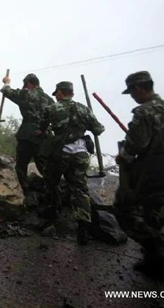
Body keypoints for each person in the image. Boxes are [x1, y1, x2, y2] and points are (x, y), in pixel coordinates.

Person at [114, 71, 164, 280]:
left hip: (150, 176)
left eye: (132, 92)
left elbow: (135, 145)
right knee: (156, 217)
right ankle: (155, 260)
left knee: (123, 211)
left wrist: (123, 156)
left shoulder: (144, 112)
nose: (132, 97)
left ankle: (156, 256)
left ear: (139, 88)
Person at [36, 81, 105, 244]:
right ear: (72, 93)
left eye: (57, 93)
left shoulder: (52, 108)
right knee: (80, 189)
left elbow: (42, 127)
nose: (56, 96)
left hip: (60, 152)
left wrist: (42, 132)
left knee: (51, 182)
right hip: (80, 153)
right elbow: (99, 129)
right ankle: (83, 228)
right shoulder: (84, 109)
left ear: (60, 93)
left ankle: (51, 216)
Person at [0, 73, 54, 194]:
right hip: (45, 136)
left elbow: (6, 91)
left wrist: (7, 82)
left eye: (25, 85)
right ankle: (51, 194)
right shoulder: (49, 99)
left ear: (29, 84)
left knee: (21, 165)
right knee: (44, 167)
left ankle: (25, 193)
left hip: (28, 135)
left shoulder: (26, 94)